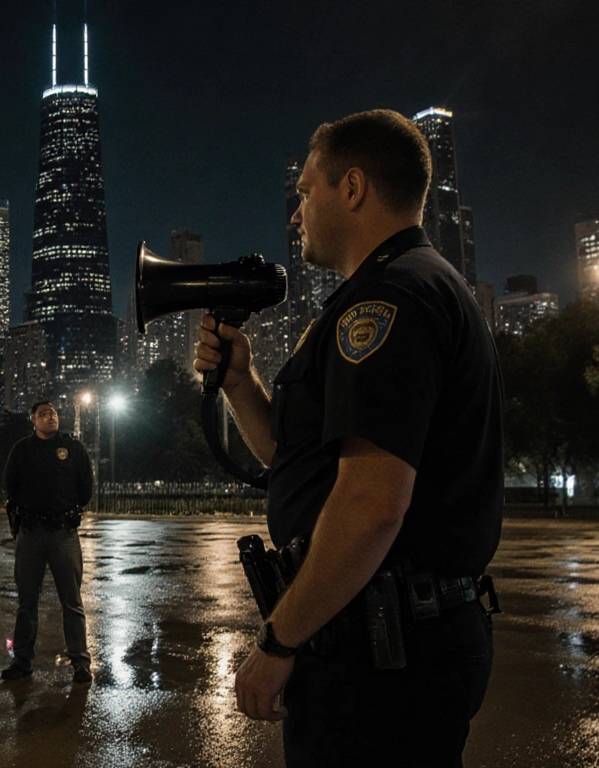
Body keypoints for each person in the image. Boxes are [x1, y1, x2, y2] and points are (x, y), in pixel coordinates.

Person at [195, 109, 502, 766]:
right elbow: (294, 457)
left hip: (383, 660)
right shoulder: (408, 285)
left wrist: (278, 642)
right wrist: (239, 384)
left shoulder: (388, 301)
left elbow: (371, 505)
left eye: (307, 191)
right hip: (393, 644)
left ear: (354, 188)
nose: (295, 212)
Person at [0, 400, 94, 685]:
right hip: (30, 533)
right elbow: (10, 485)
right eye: (43, 414)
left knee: (72, 602)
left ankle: (80, 663)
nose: (50, 416)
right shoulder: (22, 449)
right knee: (27, 602)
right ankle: (22, 661)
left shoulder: (73, 448)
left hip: (63, 533)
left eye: (53, 413)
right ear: (33, 421)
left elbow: (86, 489)